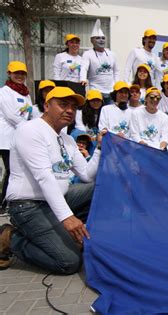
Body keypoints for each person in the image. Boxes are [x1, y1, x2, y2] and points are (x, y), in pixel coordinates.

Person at [0, 87, 104, 273]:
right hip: (28, 205)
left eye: (73, 106)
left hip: (57, 199)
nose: (70, 110)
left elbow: (87, 175)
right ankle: (11, 237)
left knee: (99, 189)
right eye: (63, 104)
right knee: (69, 262)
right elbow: (44, 177)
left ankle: (67, 235)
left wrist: (99, 149)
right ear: (47, 106)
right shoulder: (30, 130)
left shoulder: (67, 139)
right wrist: (68, 218)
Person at [0, 61, 33, 203]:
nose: (20, 76)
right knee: (10, 170)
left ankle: (9, 201)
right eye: (16, 73)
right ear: (9, 74)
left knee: (16, 171)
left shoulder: (26, 94)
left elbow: (31, 113)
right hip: (6, 139)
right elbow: (11, 116)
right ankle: (4, 202)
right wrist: (29, 129)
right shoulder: (4, 92)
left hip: (19, 137)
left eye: (22, 73)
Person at [80, 19, 119, 105]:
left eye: (103, 38)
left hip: (111, 91)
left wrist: (116, 86)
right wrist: (82, 79)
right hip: (96, 91)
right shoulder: (88, 54)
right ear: (92, 40)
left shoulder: (112, 54)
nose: (101, 40)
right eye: (98, 38)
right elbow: (84, 68)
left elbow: (116, 71)